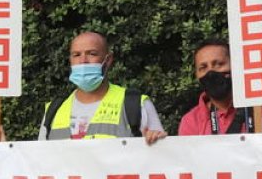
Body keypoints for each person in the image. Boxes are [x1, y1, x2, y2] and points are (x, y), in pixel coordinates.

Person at [38, 31, 166, 144]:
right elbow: (39, 163)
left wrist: (156, 142)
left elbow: (159, 157)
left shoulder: (136, 105)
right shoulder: (53, 110)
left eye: (92, 54)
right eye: (76, 55)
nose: (83, 61)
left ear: (108, 60)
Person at [178, 38, 262, 135]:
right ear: (197, 74)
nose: (211, 72)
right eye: (203, 67)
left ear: (235, 65)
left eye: (218, 64)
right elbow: (184, 167)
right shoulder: (191, 122)